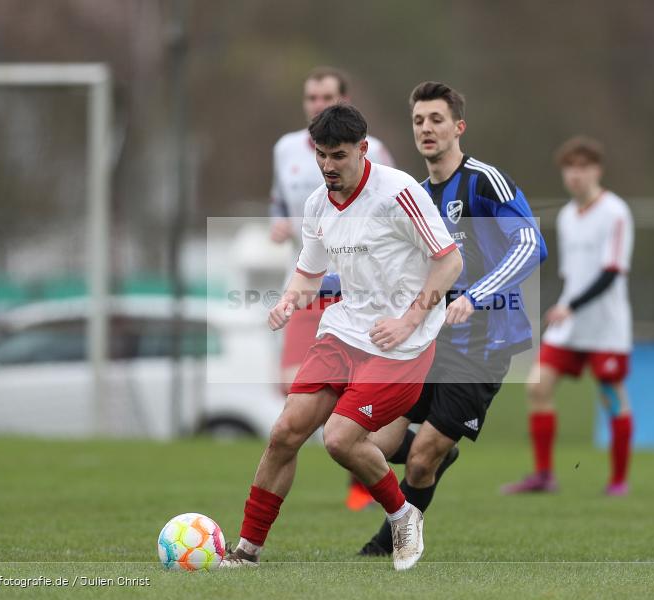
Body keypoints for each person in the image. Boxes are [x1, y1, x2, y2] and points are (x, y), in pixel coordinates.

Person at [221, 104, 462, 571]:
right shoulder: (316, 205)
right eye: (321, 156)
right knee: (285, 433)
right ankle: (247, 551)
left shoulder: (399, 192)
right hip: (345, 332)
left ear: (363, 150)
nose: (328, 166)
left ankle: (403, 515)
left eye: (338, 155)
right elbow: (308, 273)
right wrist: (288, 300)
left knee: (339, 440)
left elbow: (449, 262)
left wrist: (409, 321)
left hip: (401, 344)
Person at [358, 81, 546, 556]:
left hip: (481, 346)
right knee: (363, 441)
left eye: (437, 119)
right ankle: (445, 446)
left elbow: (530, 244)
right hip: (427, 343)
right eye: (419, 120)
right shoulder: (416, 195)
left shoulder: (484, 181)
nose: (426, 128)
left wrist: (475, 296)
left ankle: (390, 541)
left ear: (458, 127)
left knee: (420, 462)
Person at [269, 66, 394, 511]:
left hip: (356, 290)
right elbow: (279, 202)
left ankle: (362, 463)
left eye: (326, 97)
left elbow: (390, 209)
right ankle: (356, 448)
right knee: (286, 388)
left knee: (350, 401)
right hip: (308, 284)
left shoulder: (373, 150)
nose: (317, 104)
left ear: (342, 100)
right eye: (311, 97)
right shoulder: (285, 149)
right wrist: (278, 225)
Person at [501, 136, 635, 497]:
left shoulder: (615, 212)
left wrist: (570, 306)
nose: (576, 175)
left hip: (606, 327)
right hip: (569, 324)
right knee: (537, 386)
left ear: (597, 171)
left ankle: (618, 481)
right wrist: (563, 306)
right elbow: (572, 275)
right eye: (569, 168)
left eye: (583, 167)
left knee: (612, 397)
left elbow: (611, 273)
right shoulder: (566, 217)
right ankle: (544, 475)